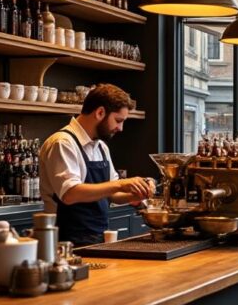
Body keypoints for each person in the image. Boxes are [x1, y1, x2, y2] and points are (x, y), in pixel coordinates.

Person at [39, 84, 155, 246]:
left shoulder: (100, 147)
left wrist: (136, 195)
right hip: (64, 243)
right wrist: (121, 184)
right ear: (100, 113)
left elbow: (113, 195)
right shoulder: (63, 143)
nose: (120, 128)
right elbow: (70, 194)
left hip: (97, 239)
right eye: (118, 120)